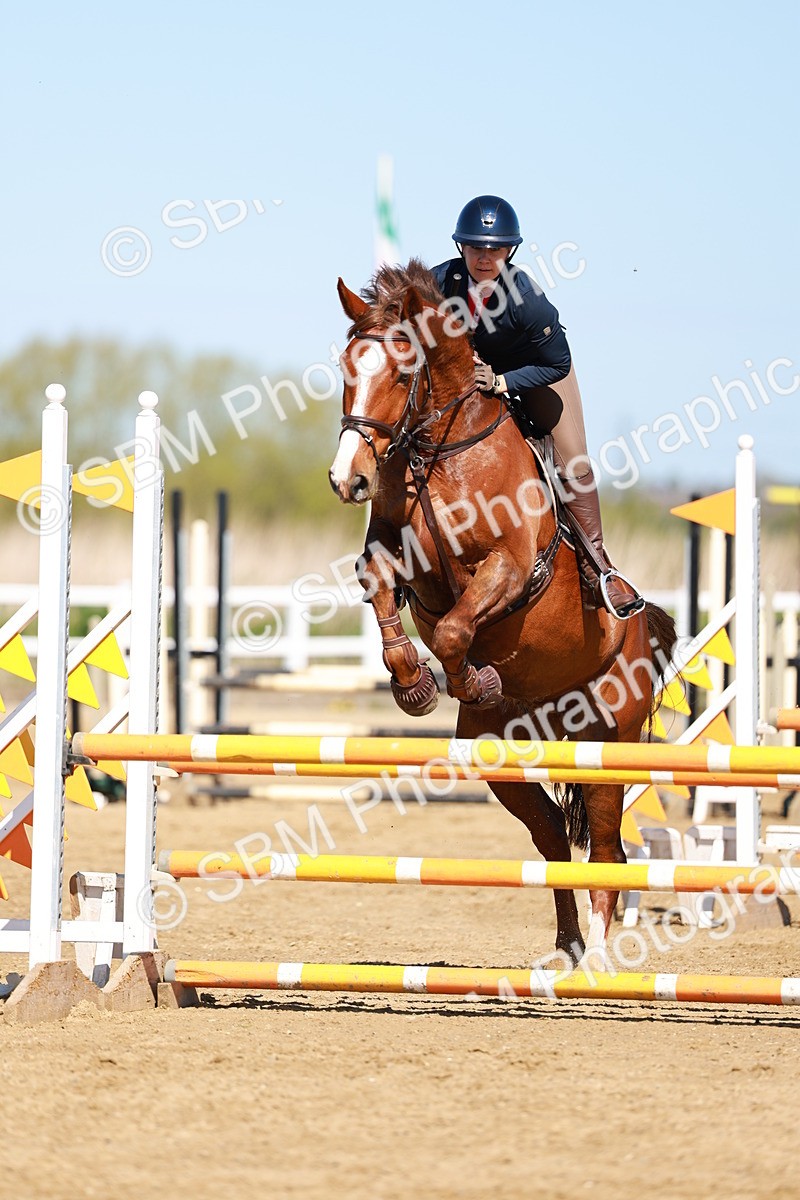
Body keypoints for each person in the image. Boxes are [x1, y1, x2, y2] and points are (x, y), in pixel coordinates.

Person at [430, 194, 643, 620]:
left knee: (572, 459)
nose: (484, 257)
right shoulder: (441, 283)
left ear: (509, 251)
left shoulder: (526, 297)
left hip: (536, 373)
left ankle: (598, 568)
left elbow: (556, 361)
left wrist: (504, 381)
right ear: (461, 248)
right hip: (471, 381)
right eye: (475, 247)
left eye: (493, 249)